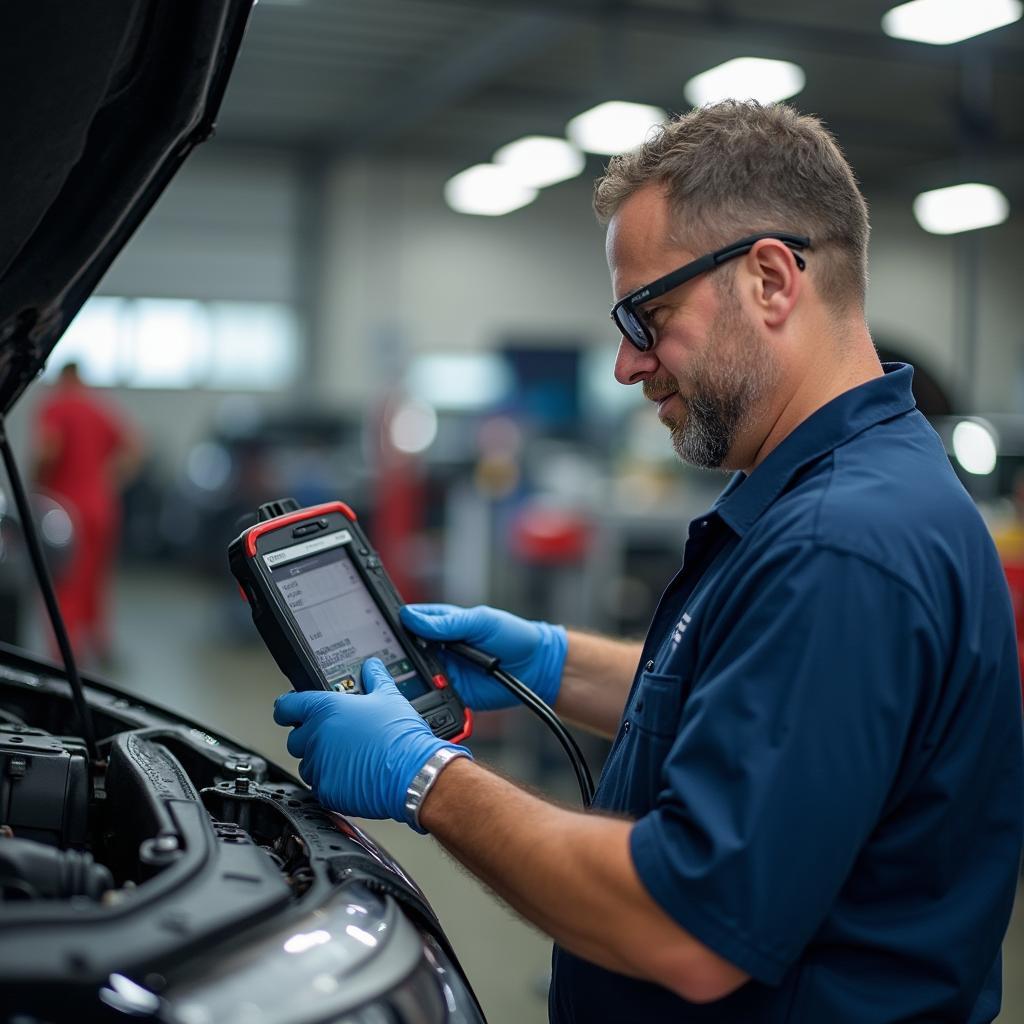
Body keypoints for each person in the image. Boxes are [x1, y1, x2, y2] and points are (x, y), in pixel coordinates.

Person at [273, 102, 1024, 1022]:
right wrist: (552, 662)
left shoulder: (843, 545)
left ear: (772, 280)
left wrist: (427, 778)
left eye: (650, 314)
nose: (630, 366)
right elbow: (765, 707)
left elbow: (687, 926)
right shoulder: (848, 490)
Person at [33, 361, 141, 663]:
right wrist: (108, 480)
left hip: (65, 514)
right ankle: (100, 643)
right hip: (102, 509)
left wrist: (36, 482)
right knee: (95, 581)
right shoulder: (98, 408)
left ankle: (66, 652)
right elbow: (135, 448)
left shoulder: (55, 408)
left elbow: (48, 451)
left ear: (62, 378)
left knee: (65, 582)